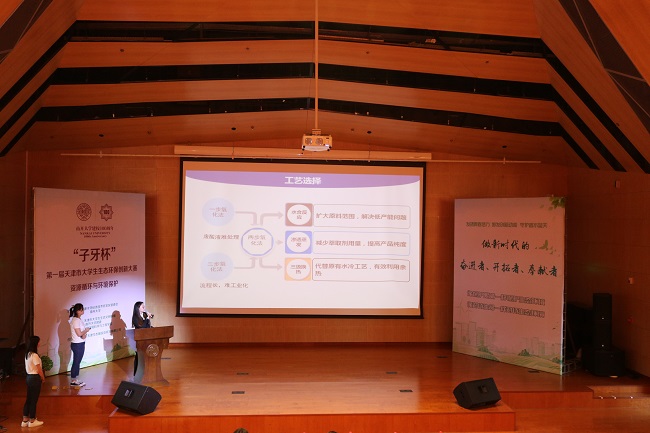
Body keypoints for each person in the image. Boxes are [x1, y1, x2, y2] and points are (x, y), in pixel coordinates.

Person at [21, 335, 45, 427]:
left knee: (29, 399)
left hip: (29, 377)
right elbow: (39, 369)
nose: (39, 343)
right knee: (33, 400)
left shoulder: (28, 354)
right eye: (39, 342)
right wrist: (43, 378)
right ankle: (32, 420)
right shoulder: (34, 355)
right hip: (35, 378)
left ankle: (25, 420)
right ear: (35, 343)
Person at [69, 303, 90, 387]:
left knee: (78, 361)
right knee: (76, 362)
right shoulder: (75, 321)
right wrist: (86, 330)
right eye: (81, 309)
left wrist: (84, 334)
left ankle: (75, 379)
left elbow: (81, 334)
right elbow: (79, 333)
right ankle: (73, 380)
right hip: (77, 344)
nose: (83, 311)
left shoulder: (78, 320)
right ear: (77, 311)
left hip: (80, 343)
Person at [131, 301, 153, 376]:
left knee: (144, 357)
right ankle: (137, 373)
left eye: (144, 306)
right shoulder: (135, 317)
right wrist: (147, 319)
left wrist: (148, 318)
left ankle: (144, 373)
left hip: (145, 338)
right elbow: (141, 327)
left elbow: (147, 327)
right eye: (142, 306)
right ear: (138, 307)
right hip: (139, 339)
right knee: (139, 357)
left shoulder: (143, 315)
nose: (144, 307)